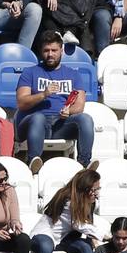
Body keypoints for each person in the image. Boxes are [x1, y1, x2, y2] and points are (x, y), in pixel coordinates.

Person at [15, 32, 94, 170]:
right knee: (38, 118)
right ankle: (33, 162)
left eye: (54, 50)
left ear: (61, 51)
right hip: (35, 124)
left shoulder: (73, 74)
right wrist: (43, 94)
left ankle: (84, 165)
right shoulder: (30, 72)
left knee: (86, 119)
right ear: (41, 51)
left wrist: (69, 111)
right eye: (46, 50)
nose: (50, 54)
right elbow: (21, 103)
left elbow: (80, 105)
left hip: (60, 124)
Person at [32, 169, 102, 253]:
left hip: (66, 239)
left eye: (98, 189)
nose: (97, 194)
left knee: (85, 247)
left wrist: (96, 244)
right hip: (45, 235)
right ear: (85, 189)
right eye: (94, 190)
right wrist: (106, 235)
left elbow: (89, 226)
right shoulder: (67, 199)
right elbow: (79, 225)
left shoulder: (89, 201)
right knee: (46, 246)